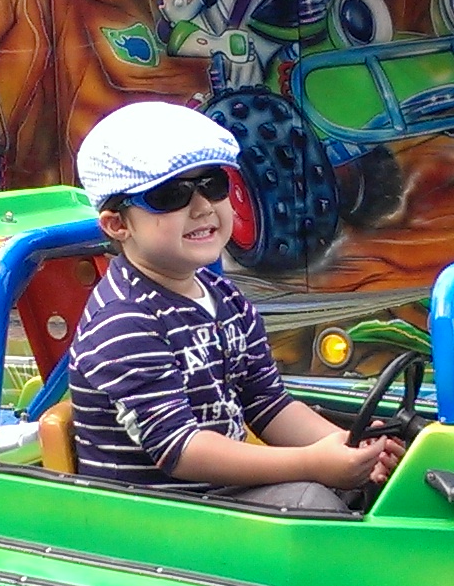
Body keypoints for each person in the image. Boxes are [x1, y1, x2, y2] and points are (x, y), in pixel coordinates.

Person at [66, 101, 401, 511]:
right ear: (118, 224)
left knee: (383, 487)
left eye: (213, 184)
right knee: (312, 500)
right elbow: (180, 449)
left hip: (217, 497)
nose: (202, 207)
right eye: (171, 195)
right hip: (155, 511)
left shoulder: (226, 298)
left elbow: (267, 403)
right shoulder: (124, 322)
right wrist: (313, 463)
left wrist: (346, 446)